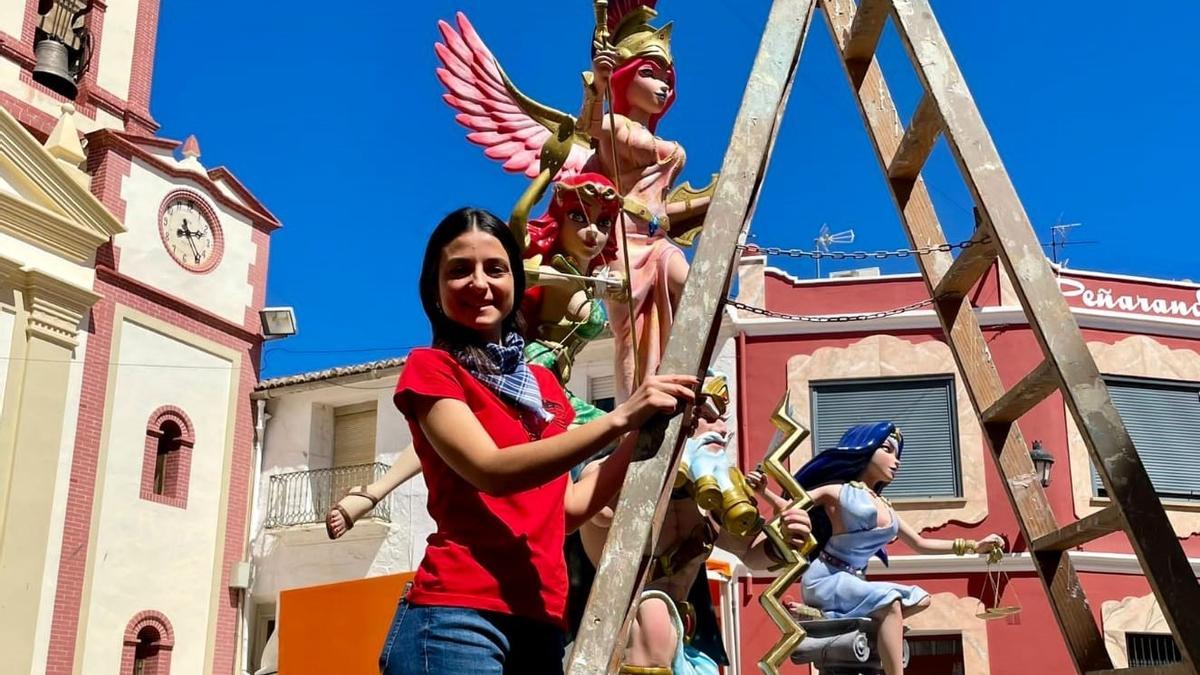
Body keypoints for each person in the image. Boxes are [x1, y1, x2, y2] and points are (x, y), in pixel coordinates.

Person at [376, 207, 697, 675]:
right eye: (459, 270)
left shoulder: (544, 387)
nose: (479, 283)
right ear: (435, 290)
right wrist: (619, 418)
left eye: (495, 268)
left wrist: (648, 426)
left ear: (516, 281)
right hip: (456, 618)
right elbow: (490, 469)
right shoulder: (432, 369)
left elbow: (565, 510)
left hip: (542, 620)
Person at [324, 175, 624, 539]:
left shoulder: (591, 284)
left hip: (545, 380)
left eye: (603, 222)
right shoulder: (547, 271)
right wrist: (546, 175)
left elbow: (563, 514)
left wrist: (638, 426)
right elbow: (491, 470)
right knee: (456, 426)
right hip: (536, 359)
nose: (592, 231)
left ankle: (372, 492)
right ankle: (374, 491)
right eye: (579, 216)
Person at [751, 422, 1005, 675]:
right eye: (887, 449)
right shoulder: (838, 491)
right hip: (826, 577)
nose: (897, 461)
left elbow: (920, 543)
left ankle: (850, 620)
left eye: (898, 454)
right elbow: (792, 506)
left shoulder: (886, 506)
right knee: (891, 603)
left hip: (852, 579)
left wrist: (975, 545)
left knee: (921, 598)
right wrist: (764, 493)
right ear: (865, 449)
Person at [576, 412, 813, 675]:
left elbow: (752, 554)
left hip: (683, 634)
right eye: (708, 417)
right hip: (623, 631)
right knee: (653, 617)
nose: (722, 429)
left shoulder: (709, 498)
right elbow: (591, 505)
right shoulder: (614, 473)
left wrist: (788, 535)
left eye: (723, 419)